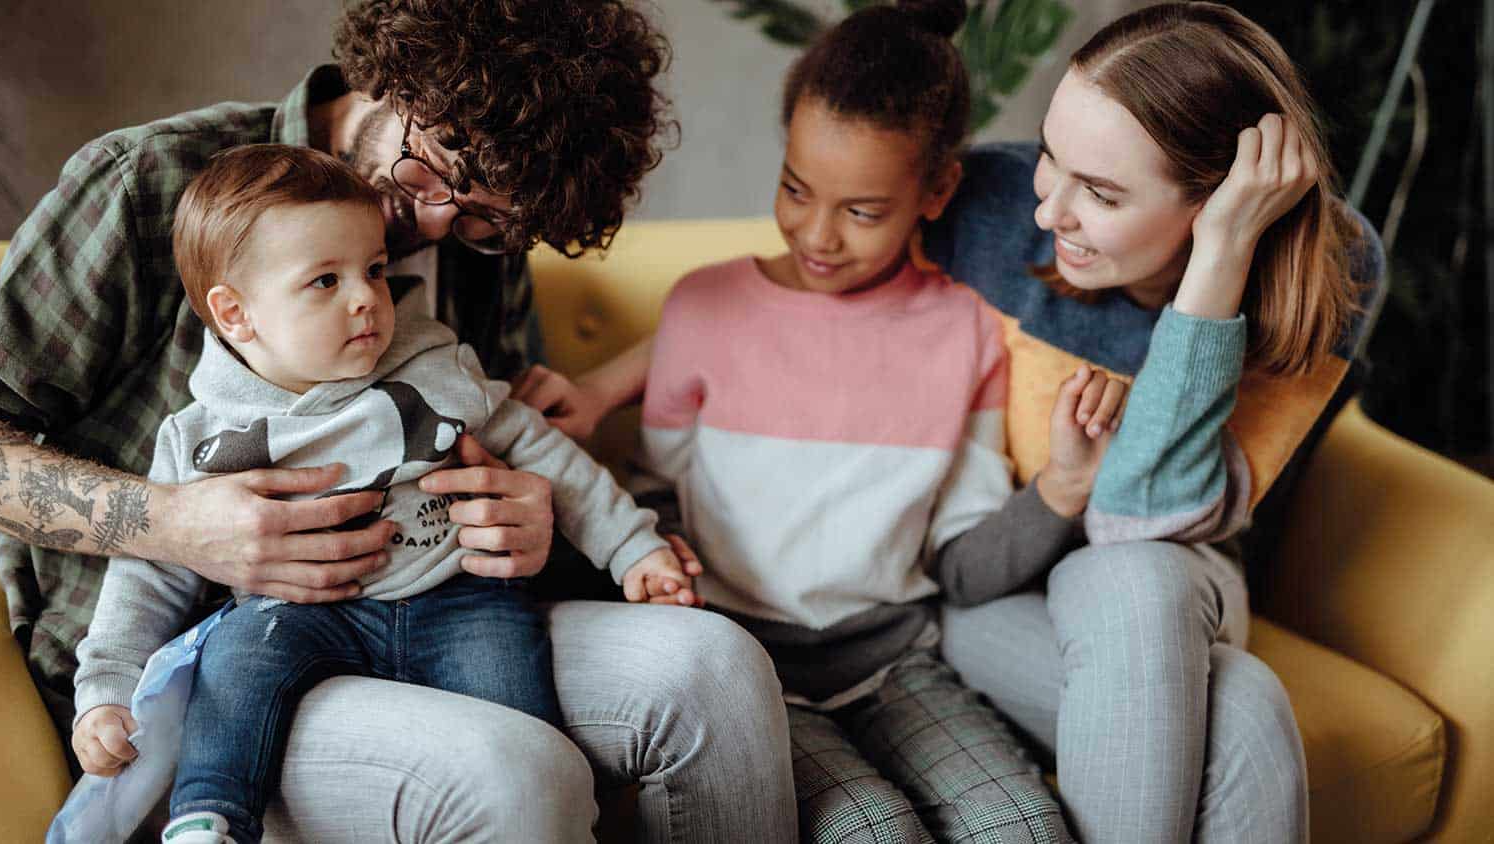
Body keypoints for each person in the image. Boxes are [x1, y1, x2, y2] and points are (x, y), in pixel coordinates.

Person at [524, 4, 1380, 842]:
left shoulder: (1324, 273)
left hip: (1163, 571)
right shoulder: (999, 203)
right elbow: (777, 307)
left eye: (1104, 193)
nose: (1050, 215)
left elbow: (1137, 520)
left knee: (1138, 581)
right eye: (1054, 158)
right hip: (1000, 588)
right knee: (1253, 709)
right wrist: (604, 388)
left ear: (1215, 202)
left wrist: (1221, 263)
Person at [0, 2, 795, 841]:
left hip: (440, 608)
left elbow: (509, 446)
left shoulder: (480, 253)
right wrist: (176, 522)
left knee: (721, 669)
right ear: (396, 71)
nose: (444, 221)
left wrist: (533, 520)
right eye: (440, 166)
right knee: (511, 768)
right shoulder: (149, 183)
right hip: (204, 662)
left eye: (488, 215)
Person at [69, 145, 702, 844]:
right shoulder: (204, 435)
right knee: (236, 662)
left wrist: (635, 549)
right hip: (299, 610)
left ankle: (560, 818)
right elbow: (147, 570)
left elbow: (548, 457)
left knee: (523, 725)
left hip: (459, 601)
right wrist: (105, 693)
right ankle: (209, 816)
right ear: (236, 313)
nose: (367, 297)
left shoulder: (433, 367)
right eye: (323, 282)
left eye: (372, 269)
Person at [635, 3, 1085, 840]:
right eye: (795, 190)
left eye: (863, 212)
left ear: (937, 191)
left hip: (898, 663)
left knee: (1022, 827)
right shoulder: (701, 307)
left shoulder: (968, 331)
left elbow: (961, 560)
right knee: (874, 831)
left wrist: (1060, 490)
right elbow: (654, 492)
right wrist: (667, 573)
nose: (817, 234)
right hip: (747, 667)